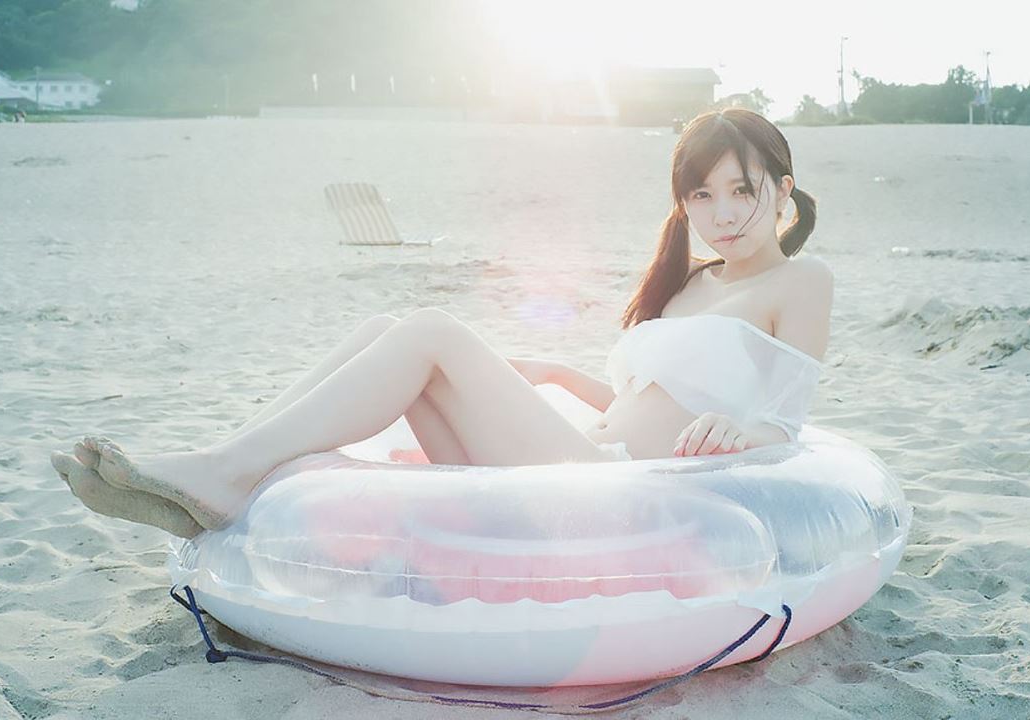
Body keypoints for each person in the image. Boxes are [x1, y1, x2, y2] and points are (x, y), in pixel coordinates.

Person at [51, 108, 832, 538]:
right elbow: (653, 400)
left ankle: (224, 473)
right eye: (701, 195)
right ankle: (226, 469)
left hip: (616, 493)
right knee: (384, 327)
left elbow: (786, 422)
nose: (722, 213)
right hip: (580, 457)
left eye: (742, 190)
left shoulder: (800, 281)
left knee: (430, 330)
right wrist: (560, 375)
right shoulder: (689, 282)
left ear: (783, 187)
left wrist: (743, 432)